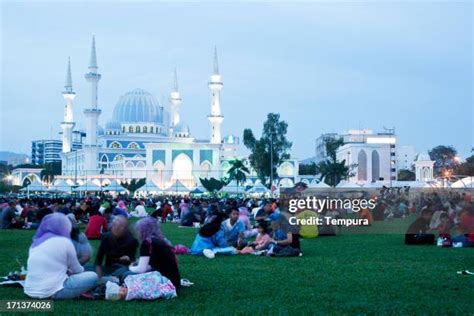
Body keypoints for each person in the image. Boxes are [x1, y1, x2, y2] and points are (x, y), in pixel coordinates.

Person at [24, 213, 98, 299]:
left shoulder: (36, 242)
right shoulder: (65, 242)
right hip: (53, 291)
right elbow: (77, 270)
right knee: (93, 276)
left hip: (30, 290)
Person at [129, 217, 181, 288]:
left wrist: (129, 267)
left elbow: (141, 269)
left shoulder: (147, 243)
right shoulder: (161, 241)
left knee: (125, 274)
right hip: (175, 281)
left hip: (163, 282)